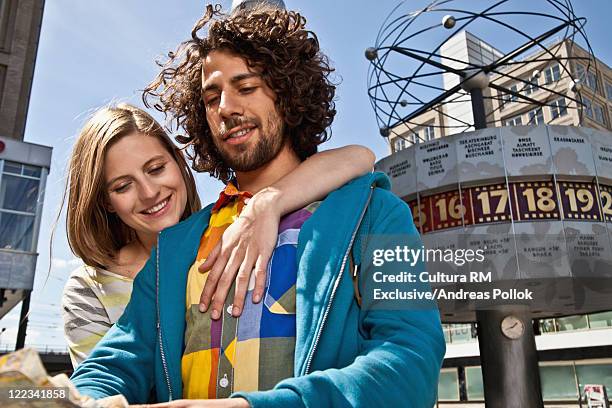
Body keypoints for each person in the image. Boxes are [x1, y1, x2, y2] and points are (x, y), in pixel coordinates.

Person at [71, 5, 445, 408]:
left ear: (287, 93)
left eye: (246, 87)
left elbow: (411, 361)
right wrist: (80, 398)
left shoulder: (377, 214)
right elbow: (111, 364)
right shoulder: (174, 248)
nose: (226, 108)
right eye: (211, 97)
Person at [61, 103, 375, 367]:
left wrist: (269, 200)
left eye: (156, 168)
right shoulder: (89, 289)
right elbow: (105, 383)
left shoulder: (230, 233)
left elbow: (360, 156)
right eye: (122, 186)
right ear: (105, 201)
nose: (148, 192)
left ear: (177, 160)